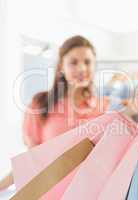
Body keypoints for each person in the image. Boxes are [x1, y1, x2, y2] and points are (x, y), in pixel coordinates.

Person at [0, 35, 109, 191]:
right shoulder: (40, 104)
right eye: (73, 62)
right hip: (50, 191)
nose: (82, 69)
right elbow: (34, 159)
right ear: (61, 67)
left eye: (87, 62)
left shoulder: (104, 107)